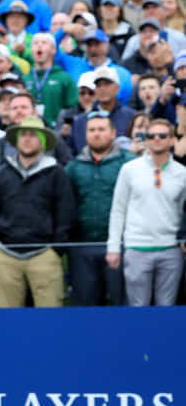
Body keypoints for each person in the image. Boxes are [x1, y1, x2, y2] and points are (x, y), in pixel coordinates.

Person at [0, 116, 76, 307]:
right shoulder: (2, 173)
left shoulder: (56, 173)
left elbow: (65, 213)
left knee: (49, 316)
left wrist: (56, 250)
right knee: (7, 317)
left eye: (33, 135)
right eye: (23, 135)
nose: (27, 139)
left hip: (45, 255)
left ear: (42, 142)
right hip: (6, 256)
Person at [107, 118, 186, 306]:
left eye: (162, 135)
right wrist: (113, 247)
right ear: (146, 140)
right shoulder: (129, 169)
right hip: (137, 249)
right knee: (138, 308)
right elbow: (118, 210)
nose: (156, 139)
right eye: (151, 135)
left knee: (166, 307)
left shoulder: (182, 173)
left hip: (171, 250)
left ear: (172, 140)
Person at [65, 112, 132, 306]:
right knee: (86, 307)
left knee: (121, 304)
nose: (96, 134)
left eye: (101, 129)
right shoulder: (73, 167)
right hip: (82, 246)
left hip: (122, 246)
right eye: (92, 130)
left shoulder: (129, 163)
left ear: (113, 133)